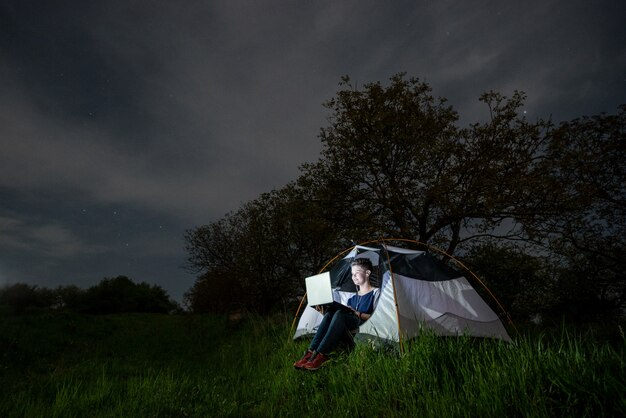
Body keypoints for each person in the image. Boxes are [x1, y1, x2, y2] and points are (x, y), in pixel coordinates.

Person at [294, 257, 380, 371]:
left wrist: (356, 313)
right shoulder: (352, 297)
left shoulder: (375, 292)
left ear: (368, 273)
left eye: (357, 273)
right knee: (331, 313)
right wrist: (324, 313)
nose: (353, 277)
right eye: (352, 274)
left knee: (340, 313)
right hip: (347, 327)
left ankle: (322, 354)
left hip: (364, 325)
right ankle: (310, 353)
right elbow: (338, 320)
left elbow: (377, 318)